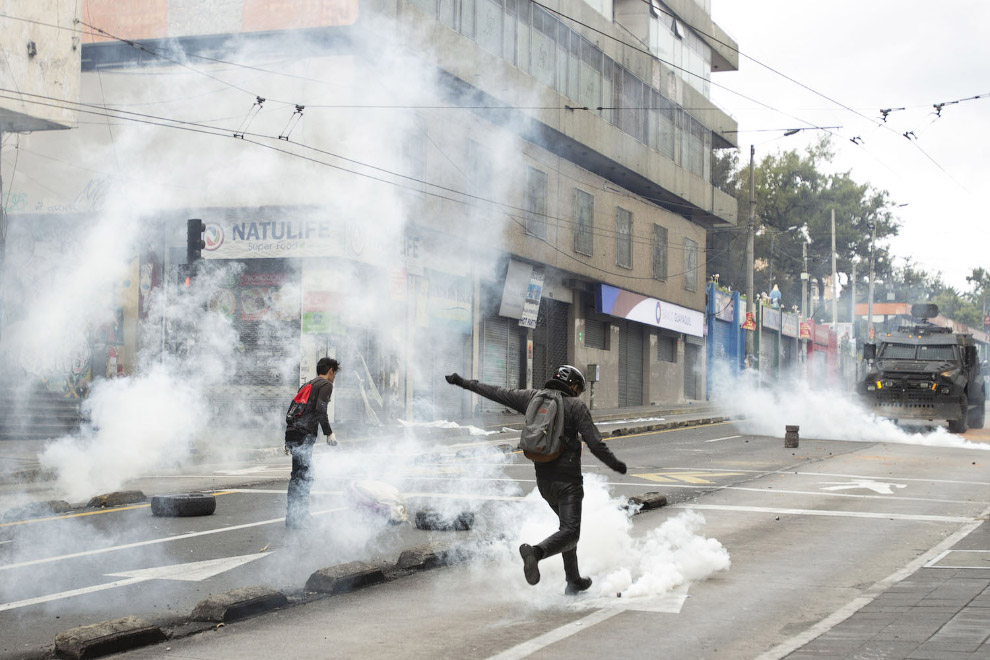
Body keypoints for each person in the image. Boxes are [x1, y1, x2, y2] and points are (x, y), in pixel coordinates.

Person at [445, 365, 627, 595]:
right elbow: (595, 443)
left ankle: (573, 580)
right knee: (571, 532)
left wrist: (462, 381)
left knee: (566, 529)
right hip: (568, 483)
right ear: (573, 386)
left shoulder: (532, 398)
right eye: (578, 389)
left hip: (544, 484)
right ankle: (536, 552)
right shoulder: (575, 406)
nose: (578, 394)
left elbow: (496, 391)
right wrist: (616, 465)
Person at [285, 357, 340, 529]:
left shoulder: (307, 384)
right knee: (305, 476)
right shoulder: (325, 385)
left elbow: (294, 409)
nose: (334, 377)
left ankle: (293, 517)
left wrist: (287, 439)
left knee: (297, 475)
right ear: (330, 370)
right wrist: (329, 433)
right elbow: (320, 410)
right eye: (334, 373)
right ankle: (299, 517)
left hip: (293, 433)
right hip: (304, 434)